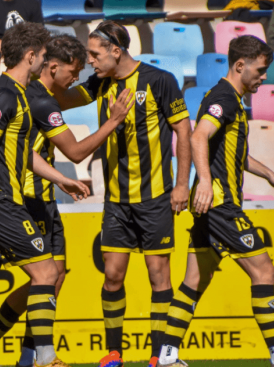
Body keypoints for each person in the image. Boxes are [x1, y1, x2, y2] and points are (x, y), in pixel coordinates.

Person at [0, 34, 134, 367]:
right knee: (38, 276)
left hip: (43, 195)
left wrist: (108, 71)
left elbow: (77, 95)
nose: (74, 79)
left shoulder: (42, 94)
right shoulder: (39, 100)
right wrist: (113, 121)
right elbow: (74, 151)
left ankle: (8, 348)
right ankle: (24, 352)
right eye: (72, 71)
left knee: (52, 276)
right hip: (27, 197)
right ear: (51, 66)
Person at [0, 22, 90, 367]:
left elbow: (22, 152)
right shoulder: (3, 94)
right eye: (43, 56)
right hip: (0, 204)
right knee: (46, 274)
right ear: (30, 56)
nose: (46, 63)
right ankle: (44, 358)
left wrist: (60, 179)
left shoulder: (18, 94)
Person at [52, 20, 192, 367]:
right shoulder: (101, 83)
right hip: (116, 199)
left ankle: (161, 356)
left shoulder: (159, 81)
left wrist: (182, 184)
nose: (91, 61)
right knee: (112, 275)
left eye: (95, 54)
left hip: (156, 197)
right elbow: (64, 98)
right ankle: (114, 352)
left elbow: (184, 133)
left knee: (159, 276)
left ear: (116, 50)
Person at [158, 35, 274, 367]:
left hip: (211, 205)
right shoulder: (224, 98)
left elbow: (233, 154)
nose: (263, 78)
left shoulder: (231, 99)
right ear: (239, 65)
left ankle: (168, 356)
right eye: (260, 71)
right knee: (264, 271)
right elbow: (198, 135)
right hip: (220, 205)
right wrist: (203, 181)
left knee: (194, 281)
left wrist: (270, 174)